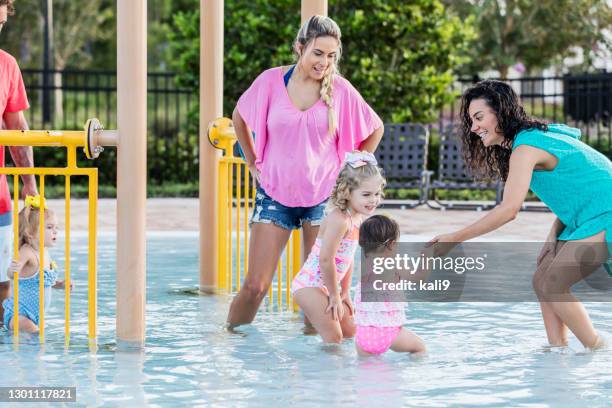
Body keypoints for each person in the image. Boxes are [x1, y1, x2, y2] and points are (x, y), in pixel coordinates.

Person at [429, 80, 611, 350]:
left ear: (501, 111)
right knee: (542, 280)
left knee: (553, 283)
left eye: (479, 117)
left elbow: (509, 210)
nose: (474, 127)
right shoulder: (531, 138)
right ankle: (556, 351)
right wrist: (553, 237)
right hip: (590, 213)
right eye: (471, 121)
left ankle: (597, 349)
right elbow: (576, 189)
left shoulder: (526, 148)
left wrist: (455, 238)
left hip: (605, 212)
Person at [227, 15, 384, 327]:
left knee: (322, 293)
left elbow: (375, 128)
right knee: (255, 287)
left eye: (331, 55)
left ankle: (320, 367)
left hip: (324, 202)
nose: (324, 62)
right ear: (299, 47)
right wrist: (250, 159)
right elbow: (239, 117)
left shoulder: (340, 90)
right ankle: (230, 347)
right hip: (274, 196)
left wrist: (351, 170)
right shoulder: (270, 82)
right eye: (317, 53)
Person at [291, 151, 383, 343]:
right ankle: (318, 372)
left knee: (351, 333)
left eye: (376, 194)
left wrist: (344, 292)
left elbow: (347, 259)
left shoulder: (356, 219)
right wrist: (333, 295)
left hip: (329, 285)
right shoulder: (339, 219)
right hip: (310, 285)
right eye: (366, 194)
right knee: (334, 337)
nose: (373, 200)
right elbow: (326, 258)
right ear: (348, 192)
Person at [0, 0, 38, 326]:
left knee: (2, 282)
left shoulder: (7, 65)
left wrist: (30, 184)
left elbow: (16, 127)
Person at [354, 215, 426, 356]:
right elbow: (418, 277)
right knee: (420, 348)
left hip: (362, 336)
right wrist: (426, 256)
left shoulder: (362, 266)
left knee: (367, 371)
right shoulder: (394, 264)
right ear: (392, 244)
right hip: (389, 333)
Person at [3, 197, 68, 333]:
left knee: (35, 347)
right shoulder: (27, 251)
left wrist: (60, 284)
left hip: (36, 317)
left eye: (57, 227)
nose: (55, 231)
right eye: (49, 227)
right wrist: (11, 270)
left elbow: (43, 281)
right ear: (30, 233)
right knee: (37, 337)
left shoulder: (45, 252)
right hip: (19, 315)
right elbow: (11, 274)